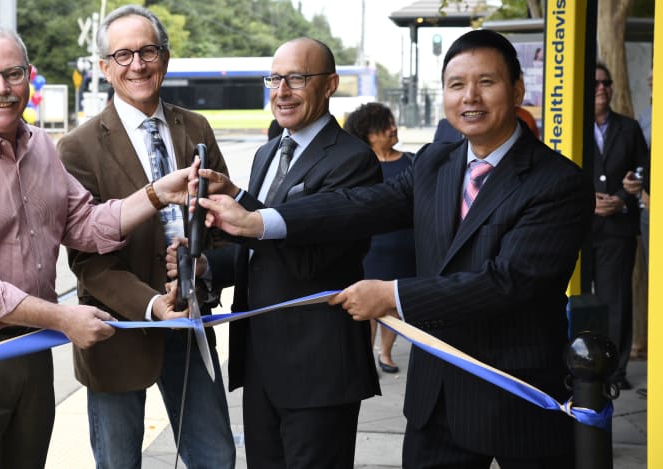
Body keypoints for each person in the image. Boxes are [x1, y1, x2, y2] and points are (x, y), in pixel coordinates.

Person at [199, 29, 594, 468]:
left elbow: (509, 282)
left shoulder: (557, 181)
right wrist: (258, 219)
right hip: (436, 401)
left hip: (516, 396)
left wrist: (392, 296)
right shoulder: (434, 163)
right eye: (456, 85)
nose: (470, 97)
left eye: (486, 82)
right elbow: (358, 205)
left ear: (517, 89)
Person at [0, 25, 194, 469]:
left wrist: (157, 193)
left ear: (29, 77)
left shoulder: (40, 146)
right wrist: (62, 318)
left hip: (32, 340)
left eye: (13, 74)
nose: (1, 89)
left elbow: (86, 224)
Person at [55, 5, 235, 469]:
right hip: (118, 333)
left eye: (148, 51)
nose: (137, 64)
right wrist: (153, 306)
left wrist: (203, 267)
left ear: (165, 57)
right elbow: (87, 260)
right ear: (104, 68)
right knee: (117, 463)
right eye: (123, 54)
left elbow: (225, 222)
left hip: (192, 323)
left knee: (215, 457)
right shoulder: (78, 147)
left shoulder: (195, 128)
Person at [188, 37, 381, 467]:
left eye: (297, 78)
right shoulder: (267, 152)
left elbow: (311, 259)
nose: (282, 91)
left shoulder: (354, 160)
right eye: (275, 78)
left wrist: (242, 202)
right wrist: (205, 265)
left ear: (330, 85)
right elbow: (257, 253)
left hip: (318, 369)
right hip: (260, 364)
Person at [343, 102, 415, 374]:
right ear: (368, 133)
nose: (393, 129)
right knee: (367, 305)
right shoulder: (358, 167)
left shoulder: (411, 161)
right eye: (384, 126)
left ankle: (386, 354)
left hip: (405, 248)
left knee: (395, 304)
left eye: (392, 123)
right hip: (371, 249)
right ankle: (366, 355)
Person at [590, 62, 648, 390]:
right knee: (577, 300)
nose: (602, 88)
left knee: (616, 302)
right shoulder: (571, 125)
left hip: (617, 230)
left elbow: (643, 168)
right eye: (596, 83)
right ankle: (578, 365)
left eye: (607, 83)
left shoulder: (629, 127)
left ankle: (614, 371)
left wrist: (623, 198)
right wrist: (588, 200)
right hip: (580, 229)